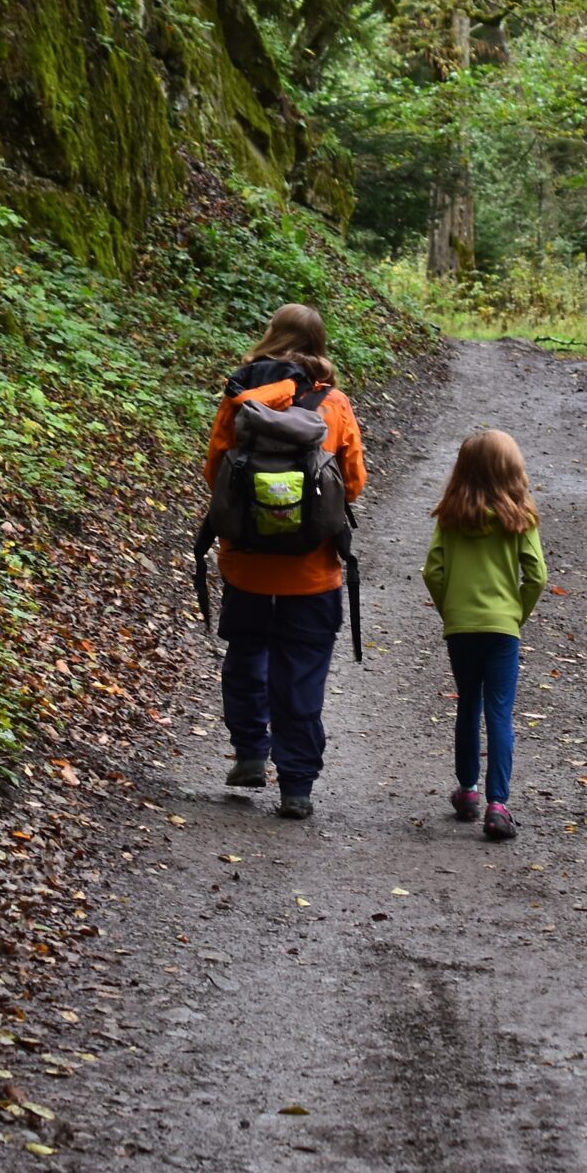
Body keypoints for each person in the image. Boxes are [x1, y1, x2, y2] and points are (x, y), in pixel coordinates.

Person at [202, 304, 367, 819]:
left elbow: (216, 475)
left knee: (248, 652)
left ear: (271, 337)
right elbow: (353, 483)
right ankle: (296, 785)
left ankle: (251, 752)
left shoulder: (240, 399)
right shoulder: (333, 404)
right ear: (320, 346)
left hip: (246, 565)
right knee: (301, 672)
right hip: (312, 571)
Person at [420, 430, 549, 842]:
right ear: (512, 471)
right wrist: (516, 615)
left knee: (467, 704)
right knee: (499, 711)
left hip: (462, 628)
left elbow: (433, 572)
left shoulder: (452, 516)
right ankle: (498, 804)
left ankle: (468, 791)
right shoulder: (520, 517)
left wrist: (450, 611)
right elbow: (537, 576)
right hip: (502, 630)